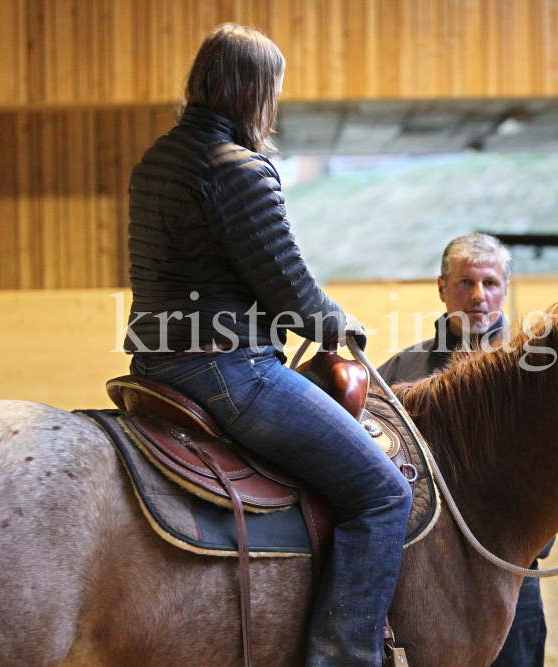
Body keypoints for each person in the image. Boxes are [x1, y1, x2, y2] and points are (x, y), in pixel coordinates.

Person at [123, 24, 411, 667]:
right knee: (386, 493)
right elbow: (293, 294)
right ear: (253, 90)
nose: (274, 104)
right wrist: (341, 327)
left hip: (154, 365)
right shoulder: (239, 169)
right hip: (229, 371)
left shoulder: (157, 159)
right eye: (273, 90)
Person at [377, 233, 552, 667]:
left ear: (505, 289)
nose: (478, 296)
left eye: (490, 283)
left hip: (512, 571)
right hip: (422, 578)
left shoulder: (540, 375)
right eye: (465, 283)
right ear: (441, 288)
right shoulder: (402, 370)